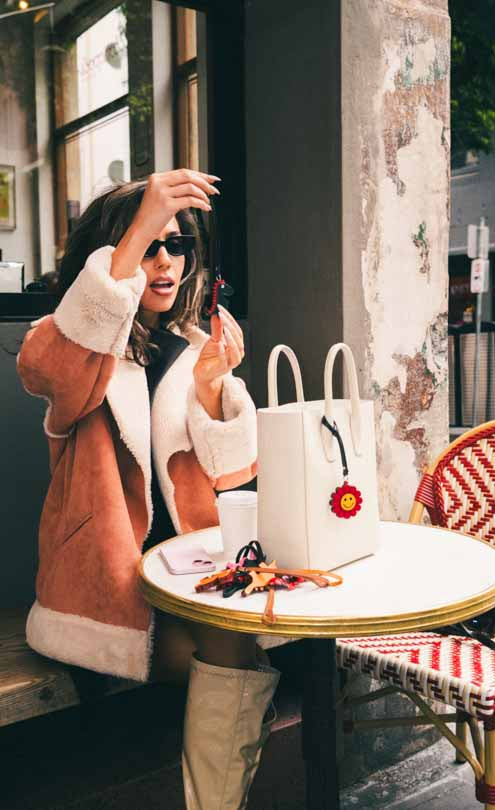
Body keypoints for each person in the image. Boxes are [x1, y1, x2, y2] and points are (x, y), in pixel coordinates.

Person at [17, 169, 279, 810]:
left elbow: (232, 478)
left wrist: (215, 388)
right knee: (232, 656)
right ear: (113, 255)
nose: (166, 262)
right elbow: (49, 369)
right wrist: (134, 232)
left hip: (190, 572)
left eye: (178, 245)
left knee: (236, 645)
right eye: (148, 245)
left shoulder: (195, 349)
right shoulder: (75, 346)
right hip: (110, 585)